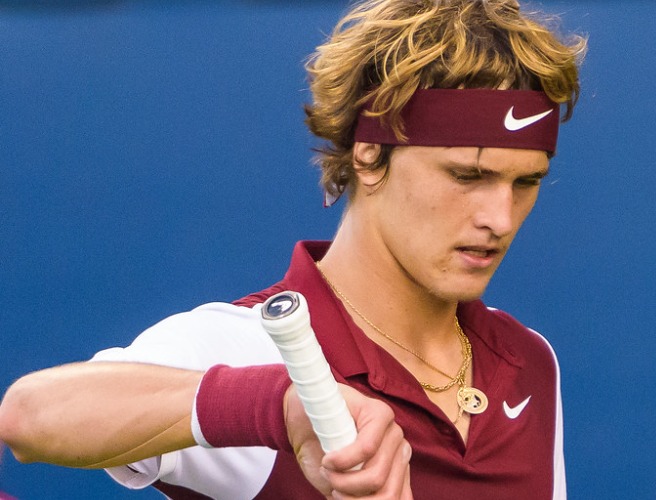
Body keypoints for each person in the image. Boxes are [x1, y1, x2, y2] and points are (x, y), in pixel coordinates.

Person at [0, 0, 585, 498]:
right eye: (466, 176)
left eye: (526, 182)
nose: (500, 218)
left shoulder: (529, 359)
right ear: (369, 156)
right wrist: (280, 406)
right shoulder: (248, 345)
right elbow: (29, 416)